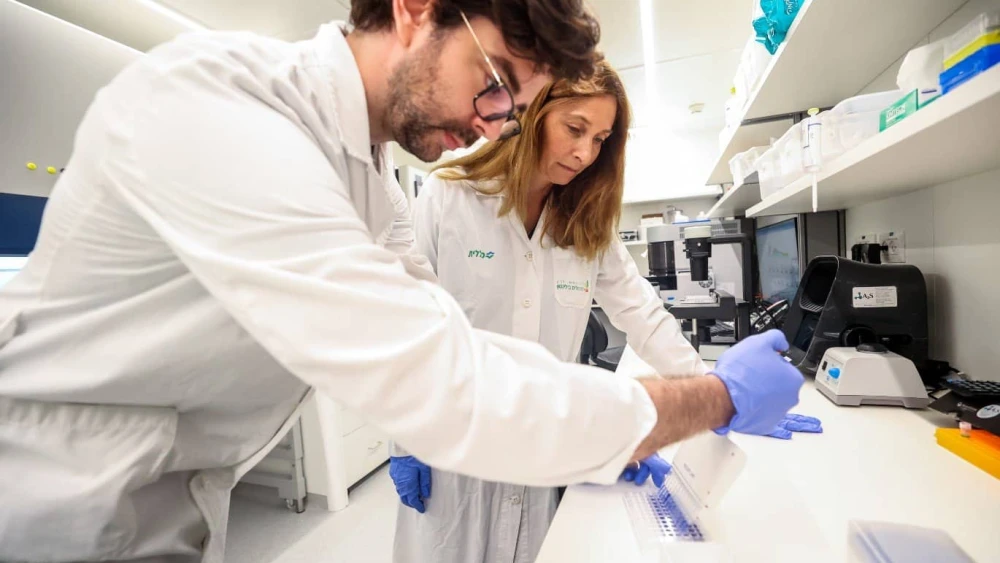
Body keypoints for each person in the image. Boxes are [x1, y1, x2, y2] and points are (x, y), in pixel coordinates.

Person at [0, 0, 803, 561]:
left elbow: (459, 344)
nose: (495, 123)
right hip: (46, 514)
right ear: (417, 9)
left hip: (165, 507)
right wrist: (705, 400)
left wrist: (622, 425)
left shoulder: (370, 182)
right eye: (496, 81)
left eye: (514, 108)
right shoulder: (223, 105)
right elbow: (446, 383)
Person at [389, 62, 818, 563]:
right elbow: (408, 322)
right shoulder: (450, 195)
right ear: (531, 113)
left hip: (537, 451)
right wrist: (404, 441)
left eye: (601, 139)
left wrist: (720, 392)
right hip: (451, 449)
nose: (585, 153)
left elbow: (641, 310)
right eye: (575, 129)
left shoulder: (585, 220)